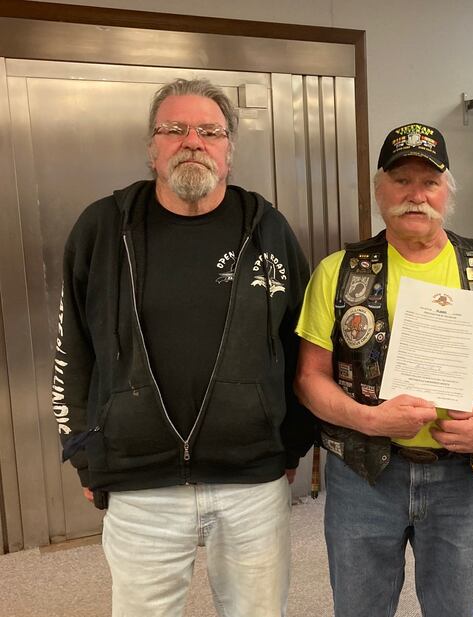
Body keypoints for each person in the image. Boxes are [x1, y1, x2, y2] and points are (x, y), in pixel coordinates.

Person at [51, 78, 315, 617]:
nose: (192, 141)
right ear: (152, 145)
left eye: (209, 131)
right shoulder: (103, 229)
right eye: (174, 128)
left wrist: (291, 447)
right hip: (139, 482)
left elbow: (299, 346)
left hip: (252, 481)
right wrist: (84, 451)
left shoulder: (269, 231)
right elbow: (73, 349)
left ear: (228, 149)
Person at [294, 122, 473, 617]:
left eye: (429, 182)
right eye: (401, 180)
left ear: (448, 192)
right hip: (363, 474)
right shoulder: (338, 270)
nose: (415, 195)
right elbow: (308, 378)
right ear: (380, 191)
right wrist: (368, 419)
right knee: (359, 609)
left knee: (455, 609)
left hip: (462, 477)